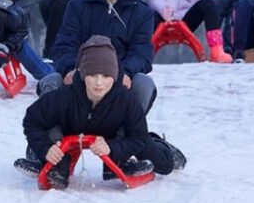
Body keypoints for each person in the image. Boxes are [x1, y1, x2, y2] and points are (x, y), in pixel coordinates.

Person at [15, 35, 186, 190]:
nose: (99, 83)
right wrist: (45, 148)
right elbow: (32, 121)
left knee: (163, 165)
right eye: (92, 75)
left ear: (114, 75)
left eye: (105, 76)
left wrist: (113, 148)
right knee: (50, 140)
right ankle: (48, 161)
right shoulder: (65, 96)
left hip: (115, 134)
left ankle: (161, 146)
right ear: (82, 74)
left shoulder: (126, 100)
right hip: (71, 128)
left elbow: (138, 137)